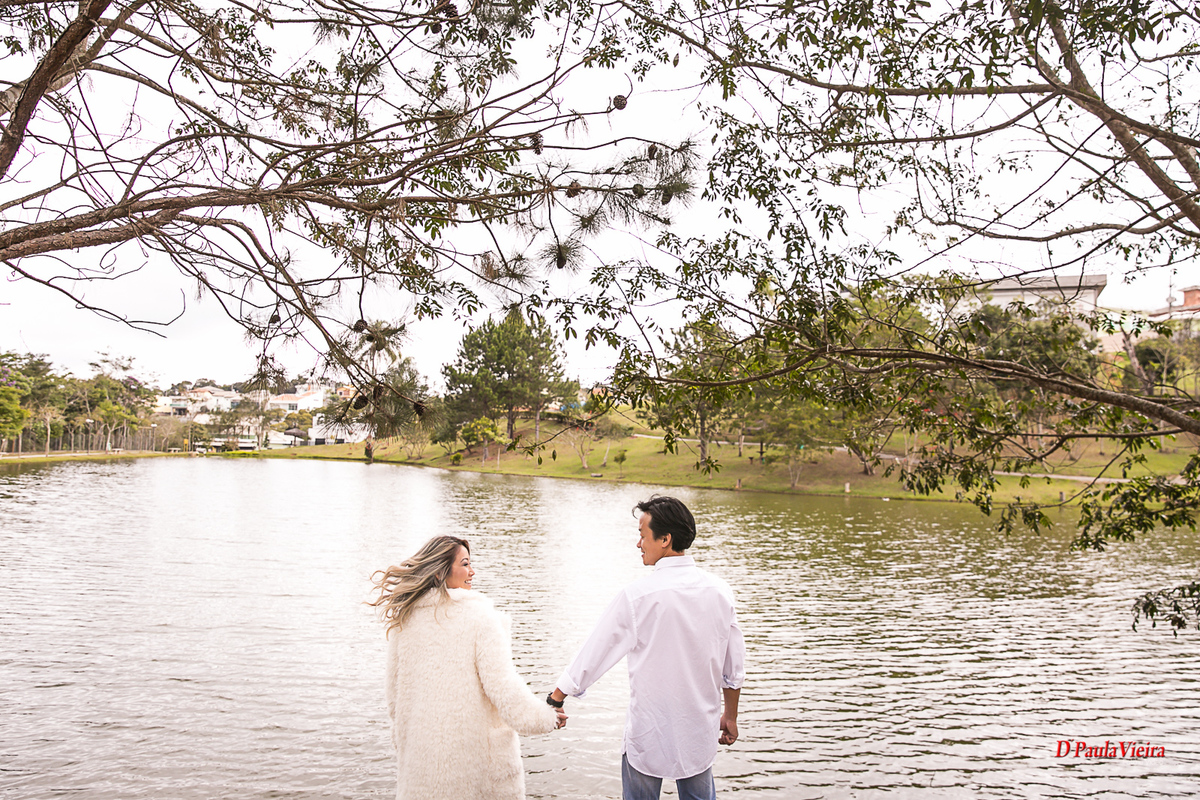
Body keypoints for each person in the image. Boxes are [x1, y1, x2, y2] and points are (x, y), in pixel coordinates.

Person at [548, 496, 745, 800]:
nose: (638, 544)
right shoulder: (720, 592)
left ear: (665, 539)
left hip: (648, 734)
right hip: (698, 734)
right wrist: (730, 716)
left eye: (642, 535)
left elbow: (597, 650)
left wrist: (557, 696)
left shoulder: (637, 597)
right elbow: (733, 670)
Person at [370, 535, 565, 800]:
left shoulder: (405, 619)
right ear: (440, 572)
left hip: (420, 773)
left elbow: (394, 702)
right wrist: (546, 717)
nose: (472, 572)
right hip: (472, 775)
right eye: (465, 564)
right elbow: (504, 690)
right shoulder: (480, 617)